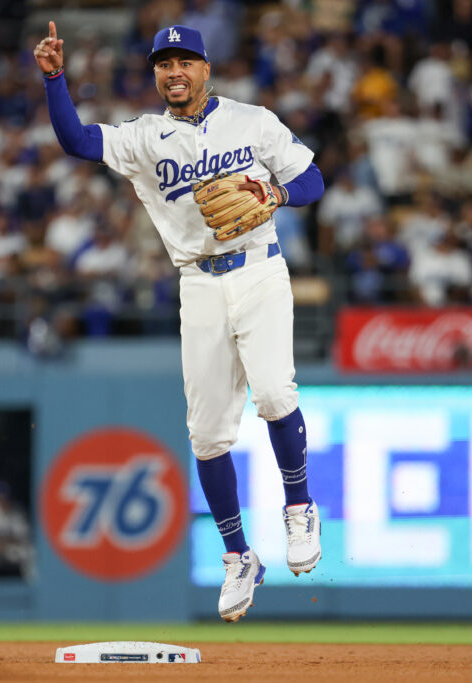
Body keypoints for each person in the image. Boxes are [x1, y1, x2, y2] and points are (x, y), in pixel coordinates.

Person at [34, 22, 325, 622]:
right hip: (198, 281)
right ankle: (238, 555)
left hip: (260, 268)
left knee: (274, 392)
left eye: (184, 61)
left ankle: (299, 507)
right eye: (164, 64)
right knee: (208, 433)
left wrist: (276, 196)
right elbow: (77, 141)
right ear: (156, 75)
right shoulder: (145, 137)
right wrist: (55, 80)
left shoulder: (253, 120)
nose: (175, 72)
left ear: (205, 68)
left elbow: (312, 179)